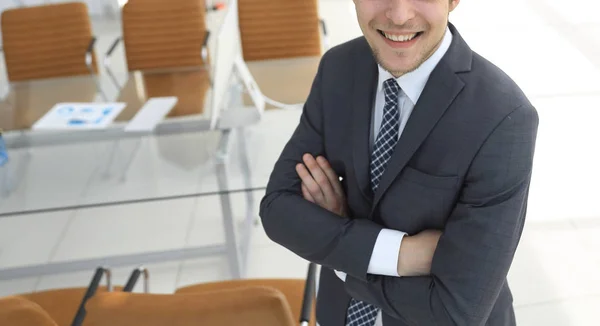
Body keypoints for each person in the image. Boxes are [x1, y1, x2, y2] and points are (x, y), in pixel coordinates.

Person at [259, 0, 538, 325]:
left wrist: (343, 250)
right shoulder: (338, 67)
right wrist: (402, 255)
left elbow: (454, 313)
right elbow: (278, 209)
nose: (399, 15)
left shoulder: (502, 116)